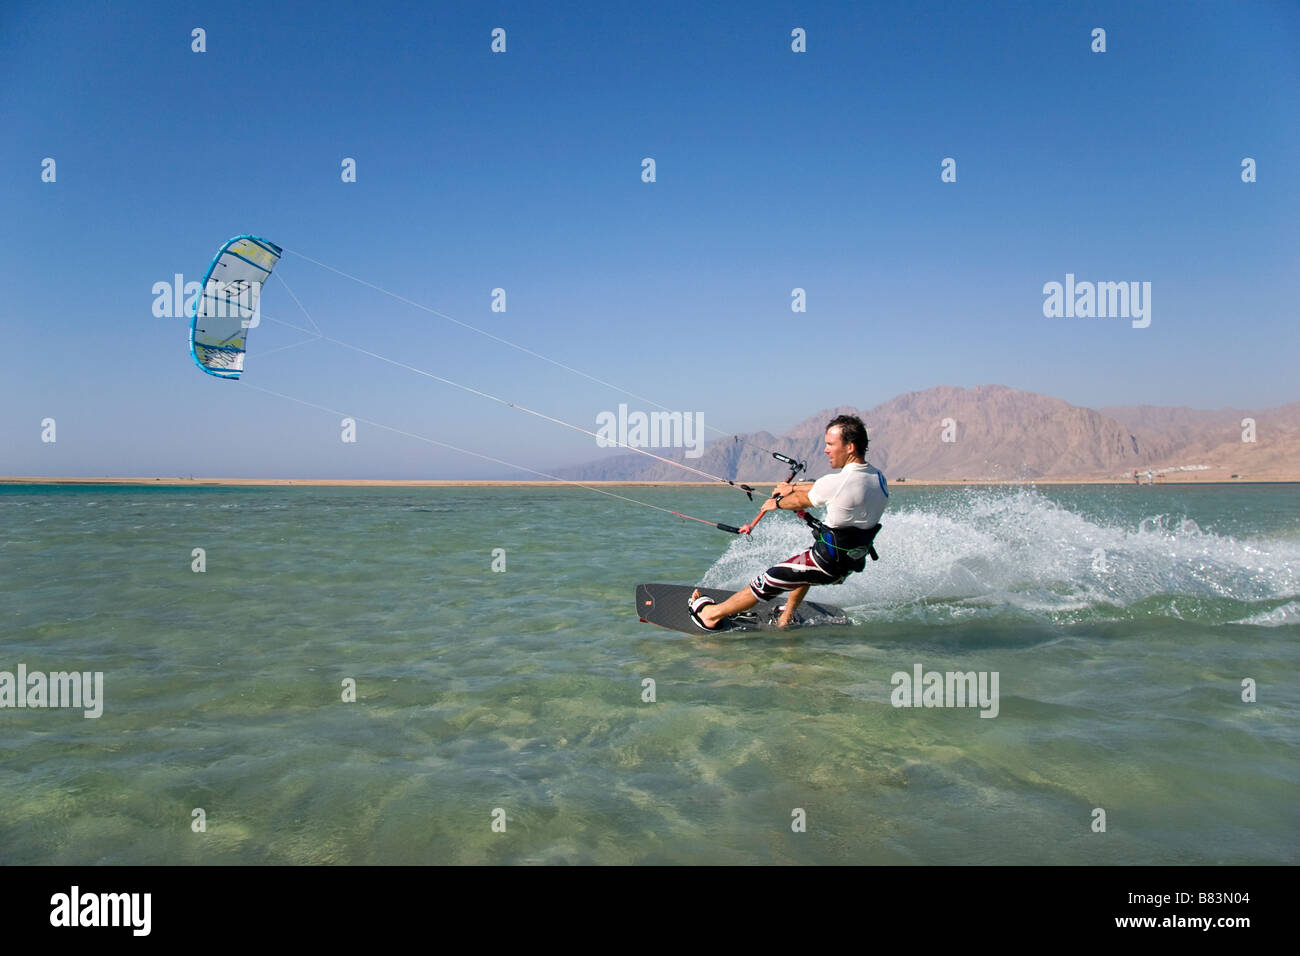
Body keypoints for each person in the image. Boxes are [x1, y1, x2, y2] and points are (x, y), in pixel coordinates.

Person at [689, 414, 888, 630]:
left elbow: (803, 499)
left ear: (850, 447)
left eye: (831, 444)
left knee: (766, 581)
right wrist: (791, 488)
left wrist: (777, 502)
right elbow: (821, 489)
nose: (826, 450)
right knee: (802, 569)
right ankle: (786, 617)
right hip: (848, 564)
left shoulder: (840, 481)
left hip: (825, 563)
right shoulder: (877, 477)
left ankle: (710, 614)